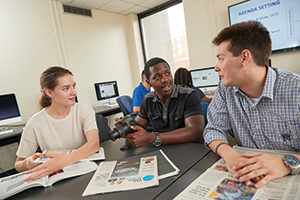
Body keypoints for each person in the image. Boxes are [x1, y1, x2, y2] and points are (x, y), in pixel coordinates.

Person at [203, 20, 300, 189]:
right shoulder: (225, 90)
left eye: (221, 59)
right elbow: (213, 129)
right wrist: (229, 154)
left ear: (244, 58)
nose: (216, 67)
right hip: (248, 181)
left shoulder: (295, 89)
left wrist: (286, 163)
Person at [15, 66, 100, 181]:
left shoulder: (84, 110)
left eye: (73, 86)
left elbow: (94, 144)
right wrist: (28, 163)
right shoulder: (35, 123)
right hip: (59, 178)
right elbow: (18, 164)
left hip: (86, 172)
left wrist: (63, 161)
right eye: (66, 88)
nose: (74, 92)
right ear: (49, 92)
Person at [122, 57, 205, 148]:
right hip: (162, 151)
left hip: (188, 151)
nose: (165, 79)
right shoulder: (148, 101)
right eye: (157, 77)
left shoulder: (189, 95)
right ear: (149, 82)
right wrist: (126, 128)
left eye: (167, 73)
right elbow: (137, 128)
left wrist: (153, 137)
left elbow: (196, 132)